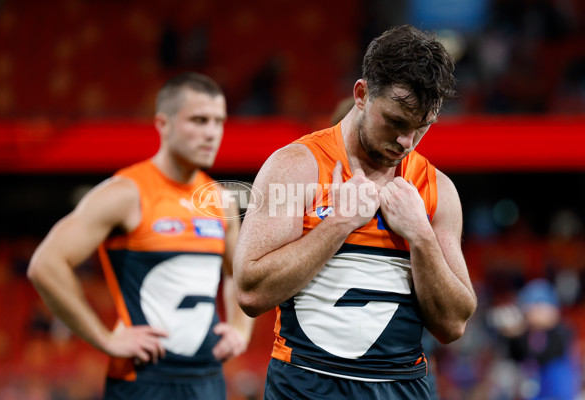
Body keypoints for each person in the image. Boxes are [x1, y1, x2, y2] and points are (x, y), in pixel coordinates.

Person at [233, 25, 477, 399]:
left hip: (402, 389)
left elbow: (454, 324)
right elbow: (250, 293)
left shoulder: (436, 189)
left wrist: (421, 236)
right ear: (361, 95)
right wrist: (340, 222)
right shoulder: (296, 167)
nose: (406, 143)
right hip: (306, 386)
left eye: (422, 128)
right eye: (395, 122)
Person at [28, 72, 254, 400]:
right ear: (163, 124)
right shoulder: (125, 194)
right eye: (199, 120)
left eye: (219, 122)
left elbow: (237, 273)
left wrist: (240, 328)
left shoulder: (219, 200)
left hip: (208, 380)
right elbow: (45, 265)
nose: (212, 133)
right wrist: (104, 338)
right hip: (144, 381)